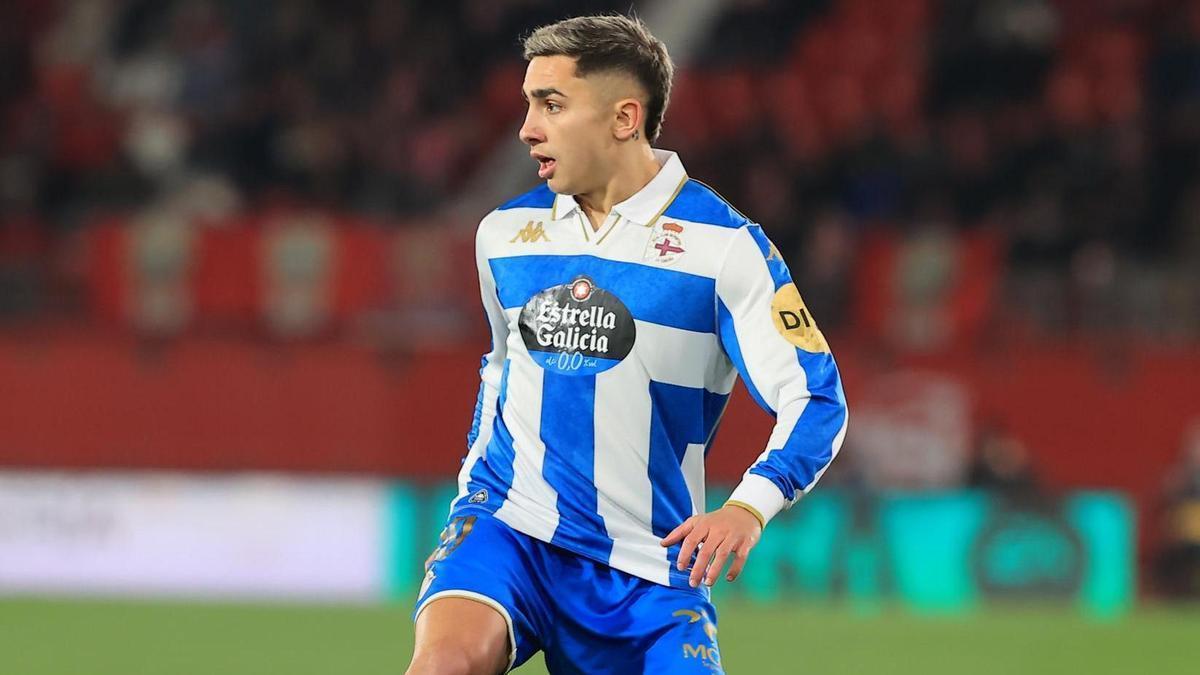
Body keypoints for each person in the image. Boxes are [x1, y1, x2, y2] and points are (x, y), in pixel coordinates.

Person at [406, 14, 848, 675]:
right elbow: (498, 372)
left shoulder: (725, 249)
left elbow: (816, 399)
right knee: (446, 664)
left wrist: (748, 508)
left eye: (552, 104)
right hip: (512, 531)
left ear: (624, 119)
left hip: (649, 572)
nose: (527, 128)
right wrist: (473, 493)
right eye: (529, 104)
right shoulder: (503, 234)